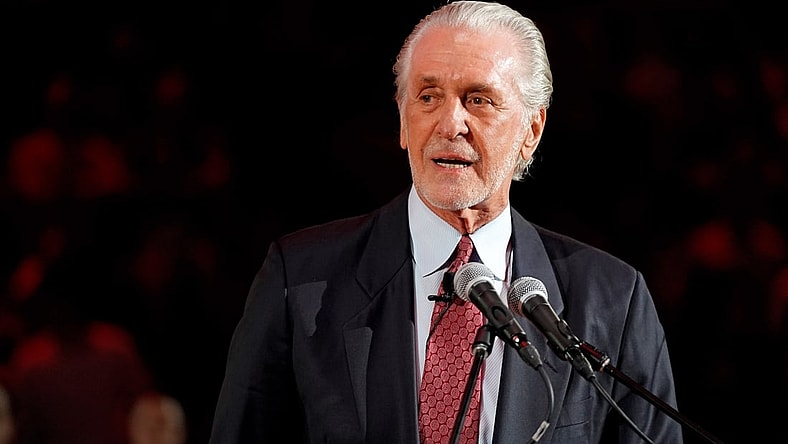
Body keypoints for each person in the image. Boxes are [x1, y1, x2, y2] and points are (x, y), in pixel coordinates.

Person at [209, 1, 683, 443]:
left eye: (478, 99)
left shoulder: (613, 299)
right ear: (402, 120)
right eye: (429, 96)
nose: (449, 123)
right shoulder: (301, 279)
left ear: (530, 131)